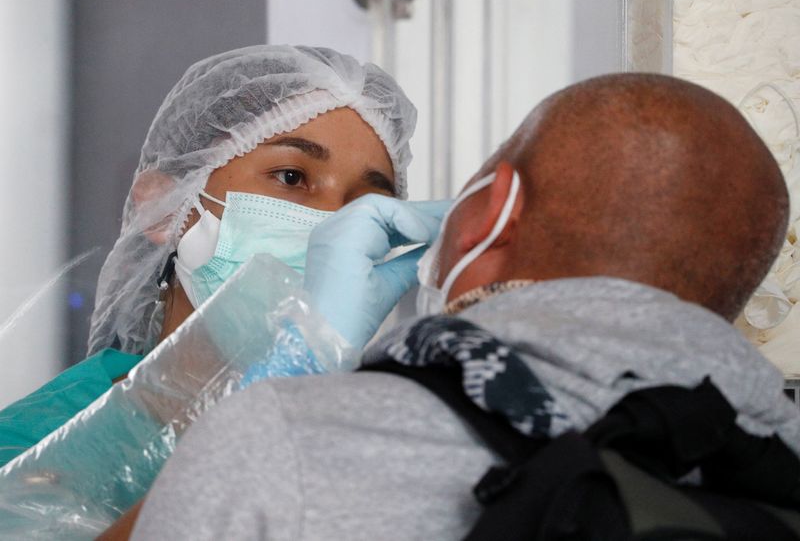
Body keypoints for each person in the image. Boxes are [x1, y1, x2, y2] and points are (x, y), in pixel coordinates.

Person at [127, 73, 800, 540]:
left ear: (487, 211)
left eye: (372, 197)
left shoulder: (284, 440)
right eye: (293, 178)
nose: (333, 219)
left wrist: (296, 371)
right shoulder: (775, 454)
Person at [0, 44, 444, 468]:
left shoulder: (385, 444)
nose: (336, 225)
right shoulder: (35, 441)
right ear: (164, 208)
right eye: (291, 176)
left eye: (365, 205)